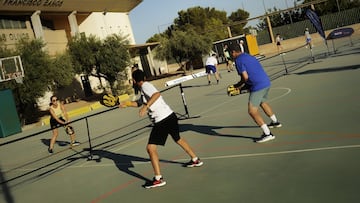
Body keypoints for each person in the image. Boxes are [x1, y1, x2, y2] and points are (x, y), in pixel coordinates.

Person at [120, 69, 203, 188]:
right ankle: (195, 159)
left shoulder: (145, 86)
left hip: (162, 120)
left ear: (134, 80)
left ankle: (158, 179)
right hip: (170, 116)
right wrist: (126, 104)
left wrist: (146, 107)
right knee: (178, 138)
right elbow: (139, 103)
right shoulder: (144, 89)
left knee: (150, 148)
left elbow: (157, 94)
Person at [229, 44, 282, 143]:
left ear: (233, 52)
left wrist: (239, 87)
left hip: (257, 86)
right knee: (262, 102)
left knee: (252, 111)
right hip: (266, 82)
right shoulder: (249, 56)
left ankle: (267, 134)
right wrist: (241, 86)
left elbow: (245, 78)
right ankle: (275, 122)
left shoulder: (238, 60)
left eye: (230, 53)